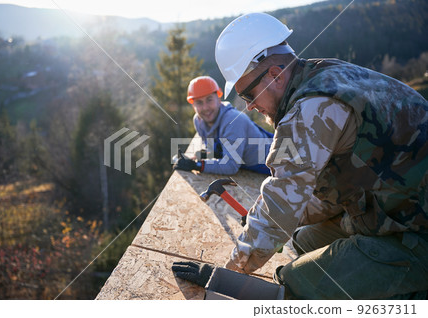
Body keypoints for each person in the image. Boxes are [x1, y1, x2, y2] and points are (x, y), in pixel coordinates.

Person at [172, 12, 428, 299]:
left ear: (275, 75)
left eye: (248, 94)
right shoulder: (325, 73)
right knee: (304, 241)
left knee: (296, 284)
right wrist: (273, 219)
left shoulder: (310, 110)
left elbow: (281, 200)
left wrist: (229, 274)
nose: (250, 107)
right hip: (395, 207)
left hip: (417, 232)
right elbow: (312, 195)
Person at [173, 75, 273, 175]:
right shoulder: (199, 121)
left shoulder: (233, 121)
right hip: (249, 163)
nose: (205, 108)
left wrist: (196, 165)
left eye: (209, 100)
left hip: (275, 161)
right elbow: (213, 149)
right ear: (193, 105)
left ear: (218, 98)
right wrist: (205, 155)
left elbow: (231, 166)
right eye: (199, 103)